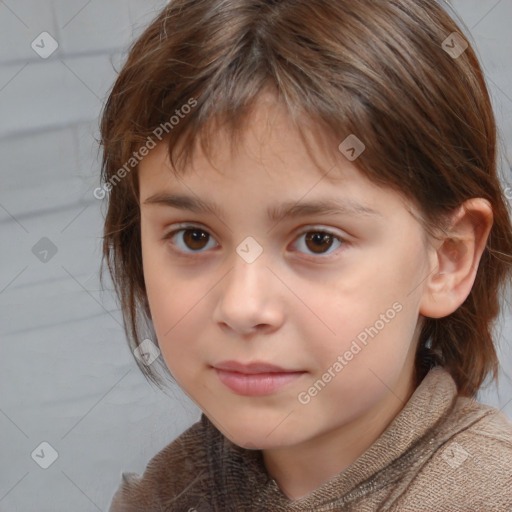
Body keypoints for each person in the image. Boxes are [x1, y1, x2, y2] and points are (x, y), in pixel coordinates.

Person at [99, 0, 512, 510]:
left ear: (446, 258)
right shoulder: (164, 494)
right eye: (194, 237)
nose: (242, 307)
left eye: (318, 240)